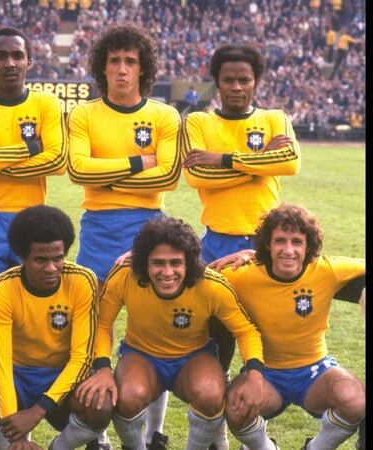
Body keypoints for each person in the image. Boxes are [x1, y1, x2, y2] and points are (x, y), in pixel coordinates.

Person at [180, 43, 300, 449]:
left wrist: (225, 161)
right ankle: (215, 437)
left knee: (261, 342)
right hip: (216, 242)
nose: (236, 87)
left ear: (256, 82)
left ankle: (251, 431)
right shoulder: (197, 120)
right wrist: (254, 164)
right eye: (228, 79)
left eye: (244, 80)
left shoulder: (273, 117)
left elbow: (289, 162)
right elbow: (197, 175)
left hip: (267, 247)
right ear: (216, 82)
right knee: (216, 343)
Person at [66, 23, 181, 444]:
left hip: (149, 230)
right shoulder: (84, 114)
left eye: (130, 61)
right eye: (114, 60)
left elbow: (167, 176)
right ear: (102, 66)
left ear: (143, 68)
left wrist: (107, 174)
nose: (121, 69)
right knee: (96, 324)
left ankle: (156, 432)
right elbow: (78, 171)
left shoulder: (164, 115)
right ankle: (97, 432)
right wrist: (137, 164)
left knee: (154, 329)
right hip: (97, 229)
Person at [77, 216, 265, 450]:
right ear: (144, 262)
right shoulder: (126, 276)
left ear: (190, 263)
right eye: (158, 263)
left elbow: (246, 331)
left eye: (176, 263)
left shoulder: (211, 286)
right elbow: (102, 324)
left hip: (193, 357)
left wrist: (255, 375)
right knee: (128, 395)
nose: (167, 272)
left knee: (211, 394)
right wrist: (103, 368)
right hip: (141, 355)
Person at [0, 205, 111, 450]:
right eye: (40, 260)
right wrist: (16, 435)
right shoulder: (2, 287)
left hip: (63, 372)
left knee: (101, 403)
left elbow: (81, 358)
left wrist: (38, 410)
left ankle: (60, 446)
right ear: (22, 257)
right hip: (17, 373)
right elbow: (0, 361)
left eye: (58, 258)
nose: (51, 268)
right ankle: (8, 445)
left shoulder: (82, 280)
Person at [211, 203, 365, 450]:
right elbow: (197, 277)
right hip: (266, 374)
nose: (289, 250)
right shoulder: (242, 275)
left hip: (315, 371)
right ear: (267, 245)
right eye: (280, 241)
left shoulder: (326, 270)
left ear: (308, 247)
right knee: (236, 407)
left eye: (297, 242)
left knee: (355, 400)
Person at [0, 26, 67, 363]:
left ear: (29, 61)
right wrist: (30, 149)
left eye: (17, 55)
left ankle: (30, 382)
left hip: (33, 221)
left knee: (34, 318)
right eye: (1, 56)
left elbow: (58, 160)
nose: (10, 62)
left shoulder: (46, 103)